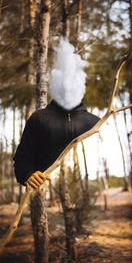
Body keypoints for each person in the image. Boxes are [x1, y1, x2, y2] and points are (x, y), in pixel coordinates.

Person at [13, 39, 100, 189]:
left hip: (93, 193)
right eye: (63, 80)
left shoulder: (94, 123)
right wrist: (28, 174)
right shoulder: (39, 118)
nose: (67, 86)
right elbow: (22, 159)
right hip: (45, 197)